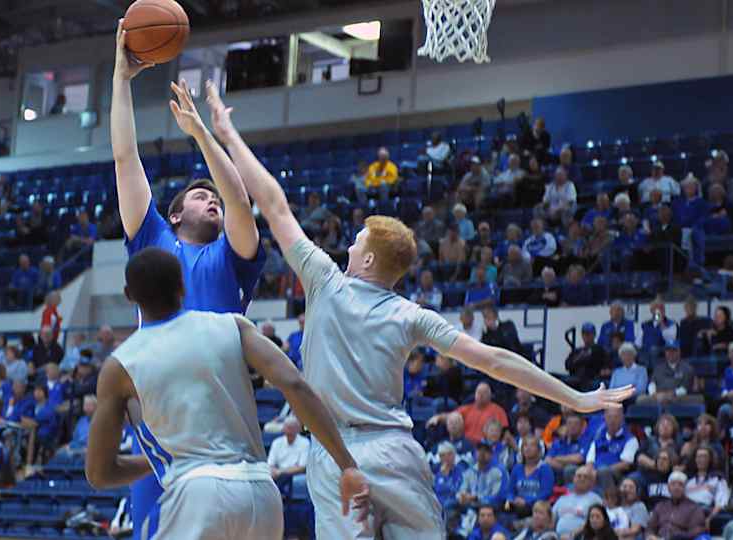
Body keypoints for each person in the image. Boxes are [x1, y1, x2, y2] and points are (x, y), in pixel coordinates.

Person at [204, 80, 633, 538]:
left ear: (368, 259)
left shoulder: (325, 281)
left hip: (336, 455)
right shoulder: (412, 314)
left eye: (356, 243)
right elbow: (495, 360)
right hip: (394, 450)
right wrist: (572, 397)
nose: (348, 246)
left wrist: (228, 134)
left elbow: (272, 203)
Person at [85, 247, 368, 539]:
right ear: (182, 285)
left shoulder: (120, 364)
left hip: (197, 491)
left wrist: (165, 459)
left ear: (129, 295)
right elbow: (295, 384)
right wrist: (347, 465)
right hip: (261, 491)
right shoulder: (231, 325)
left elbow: (99, 473)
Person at [112, 26, 268, 534]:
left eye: (216, 197)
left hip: (219, 425)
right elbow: (125, 159)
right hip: (158, 420)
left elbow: (242, 201)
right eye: (203, 197)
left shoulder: (234, 257)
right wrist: (121, 76)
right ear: (175, 215)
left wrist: (202, 134)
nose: (215, 200)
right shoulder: (153, 238)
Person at [585, 407, 639, 490]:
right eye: (609, 417)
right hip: (595, 472)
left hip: (616, 475)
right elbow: (590, 461)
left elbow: (625, 465)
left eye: (616, 417)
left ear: (622, 418)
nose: (612, 420)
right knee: (572, 470)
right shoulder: (598, 438)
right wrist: (590, 472)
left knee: (603, 472)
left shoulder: (630, 439)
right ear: (605, 418)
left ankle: (608, 499)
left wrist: (599, 471)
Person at [646, 471, 706, 540]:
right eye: (673, 484)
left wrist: (677, 536)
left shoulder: (694, 508)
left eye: (680, 485)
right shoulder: (660, 506)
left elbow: (697, 531)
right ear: (668, 488)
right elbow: (650, 527)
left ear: (685, 488)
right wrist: (650, 536)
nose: (676, 488)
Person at [638, 340, 700, 405]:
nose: (670, 353)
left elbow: (685, 388)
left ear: (679, 352)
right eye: (668, 351)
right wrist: (654, 394)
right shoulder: (658, 368)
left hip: (678, 397)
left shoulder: (687, 368)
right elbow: (652, 384)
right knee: (640, 400)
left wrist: (669, 395)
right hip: (658, 397)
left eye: (673, 350)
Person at [507, 436, 554, 518]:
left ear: (539, 450)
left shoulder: (545, 469)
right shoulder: (517, 468)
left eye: (532, 445)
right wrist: (513, 499)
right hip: (516, 506)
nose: (528, 448)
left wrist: (527, 501)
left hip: (535, 508)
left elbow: (546, 493)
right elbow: (510, 491)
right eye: (525, 445)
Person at [552, 466, 603, 540]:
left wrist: (573, 534)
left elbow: (595, 523)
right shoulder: (562, 499)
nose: (581, 479)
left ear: (591, 482)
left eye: (585, 477)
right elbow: (551, 519)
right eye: (579, 476)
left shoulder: (595, 499)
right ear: (573, 479)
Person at [685, 445, 728, 529]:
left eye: (704, 456)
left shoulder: (718, 479)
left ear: (710, 459)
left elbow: (721, 503)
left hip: (705, 512)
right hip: (686, 513)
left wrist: (709, 518)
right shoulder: (688, 480)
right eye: (698, 457)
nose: (701, 460)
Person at [546, 412, 591, 484]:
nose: (572, 426)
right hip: (558, 471)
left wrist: (557, 458)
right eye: (569, 423)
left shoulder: (586, 440)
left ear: (582, 426)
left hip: (576, 472)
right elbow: (548, 459)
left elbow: (579, 458)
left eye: (576, 424)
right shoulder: (559, 441)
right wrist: (564, 464)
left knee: (569, 469)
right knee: (544, 467)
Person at [566, 323, 611, 392]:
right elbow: (568, 365)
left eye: (589, 334)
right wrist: (578, 358)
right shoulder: (577, 351)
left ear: (594, 335)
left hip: (591, 380)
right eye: (584, 334)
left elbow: (603, 366)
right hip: (575, 379)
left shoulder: (600, 350)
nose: (586, 336)